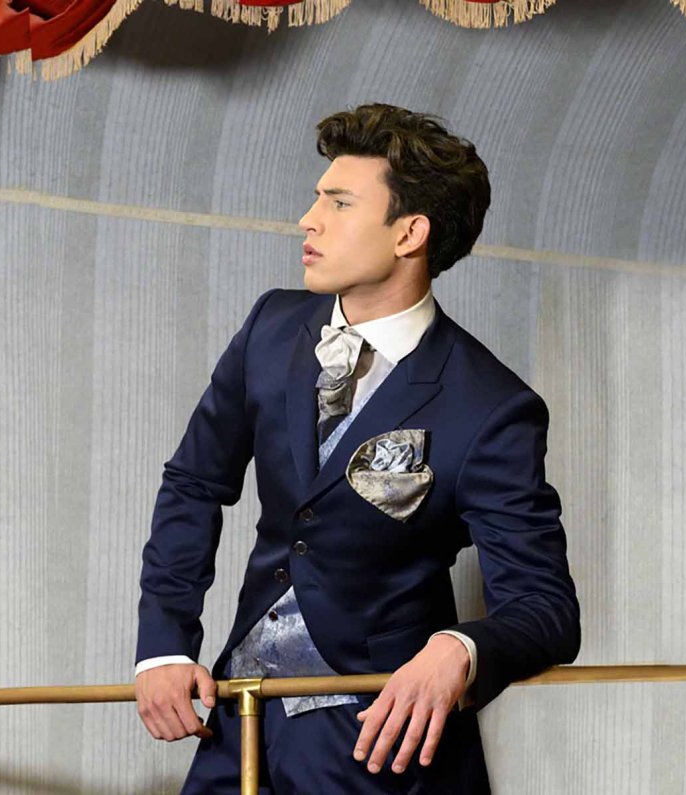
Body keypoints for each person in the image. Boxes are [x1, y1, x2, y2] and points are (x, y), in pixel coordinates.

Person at [133, 103, 580, 793]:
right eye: (318, 198)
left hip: (379, 741)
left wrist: (459, 648)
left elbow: (545, 606)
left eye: (339, 203)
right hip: (239, 715)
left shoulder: (491, 406)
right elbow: (194, 482)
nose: (308, 220)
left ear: (410, 232)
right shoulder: (271, 326)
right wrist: (163, 643)